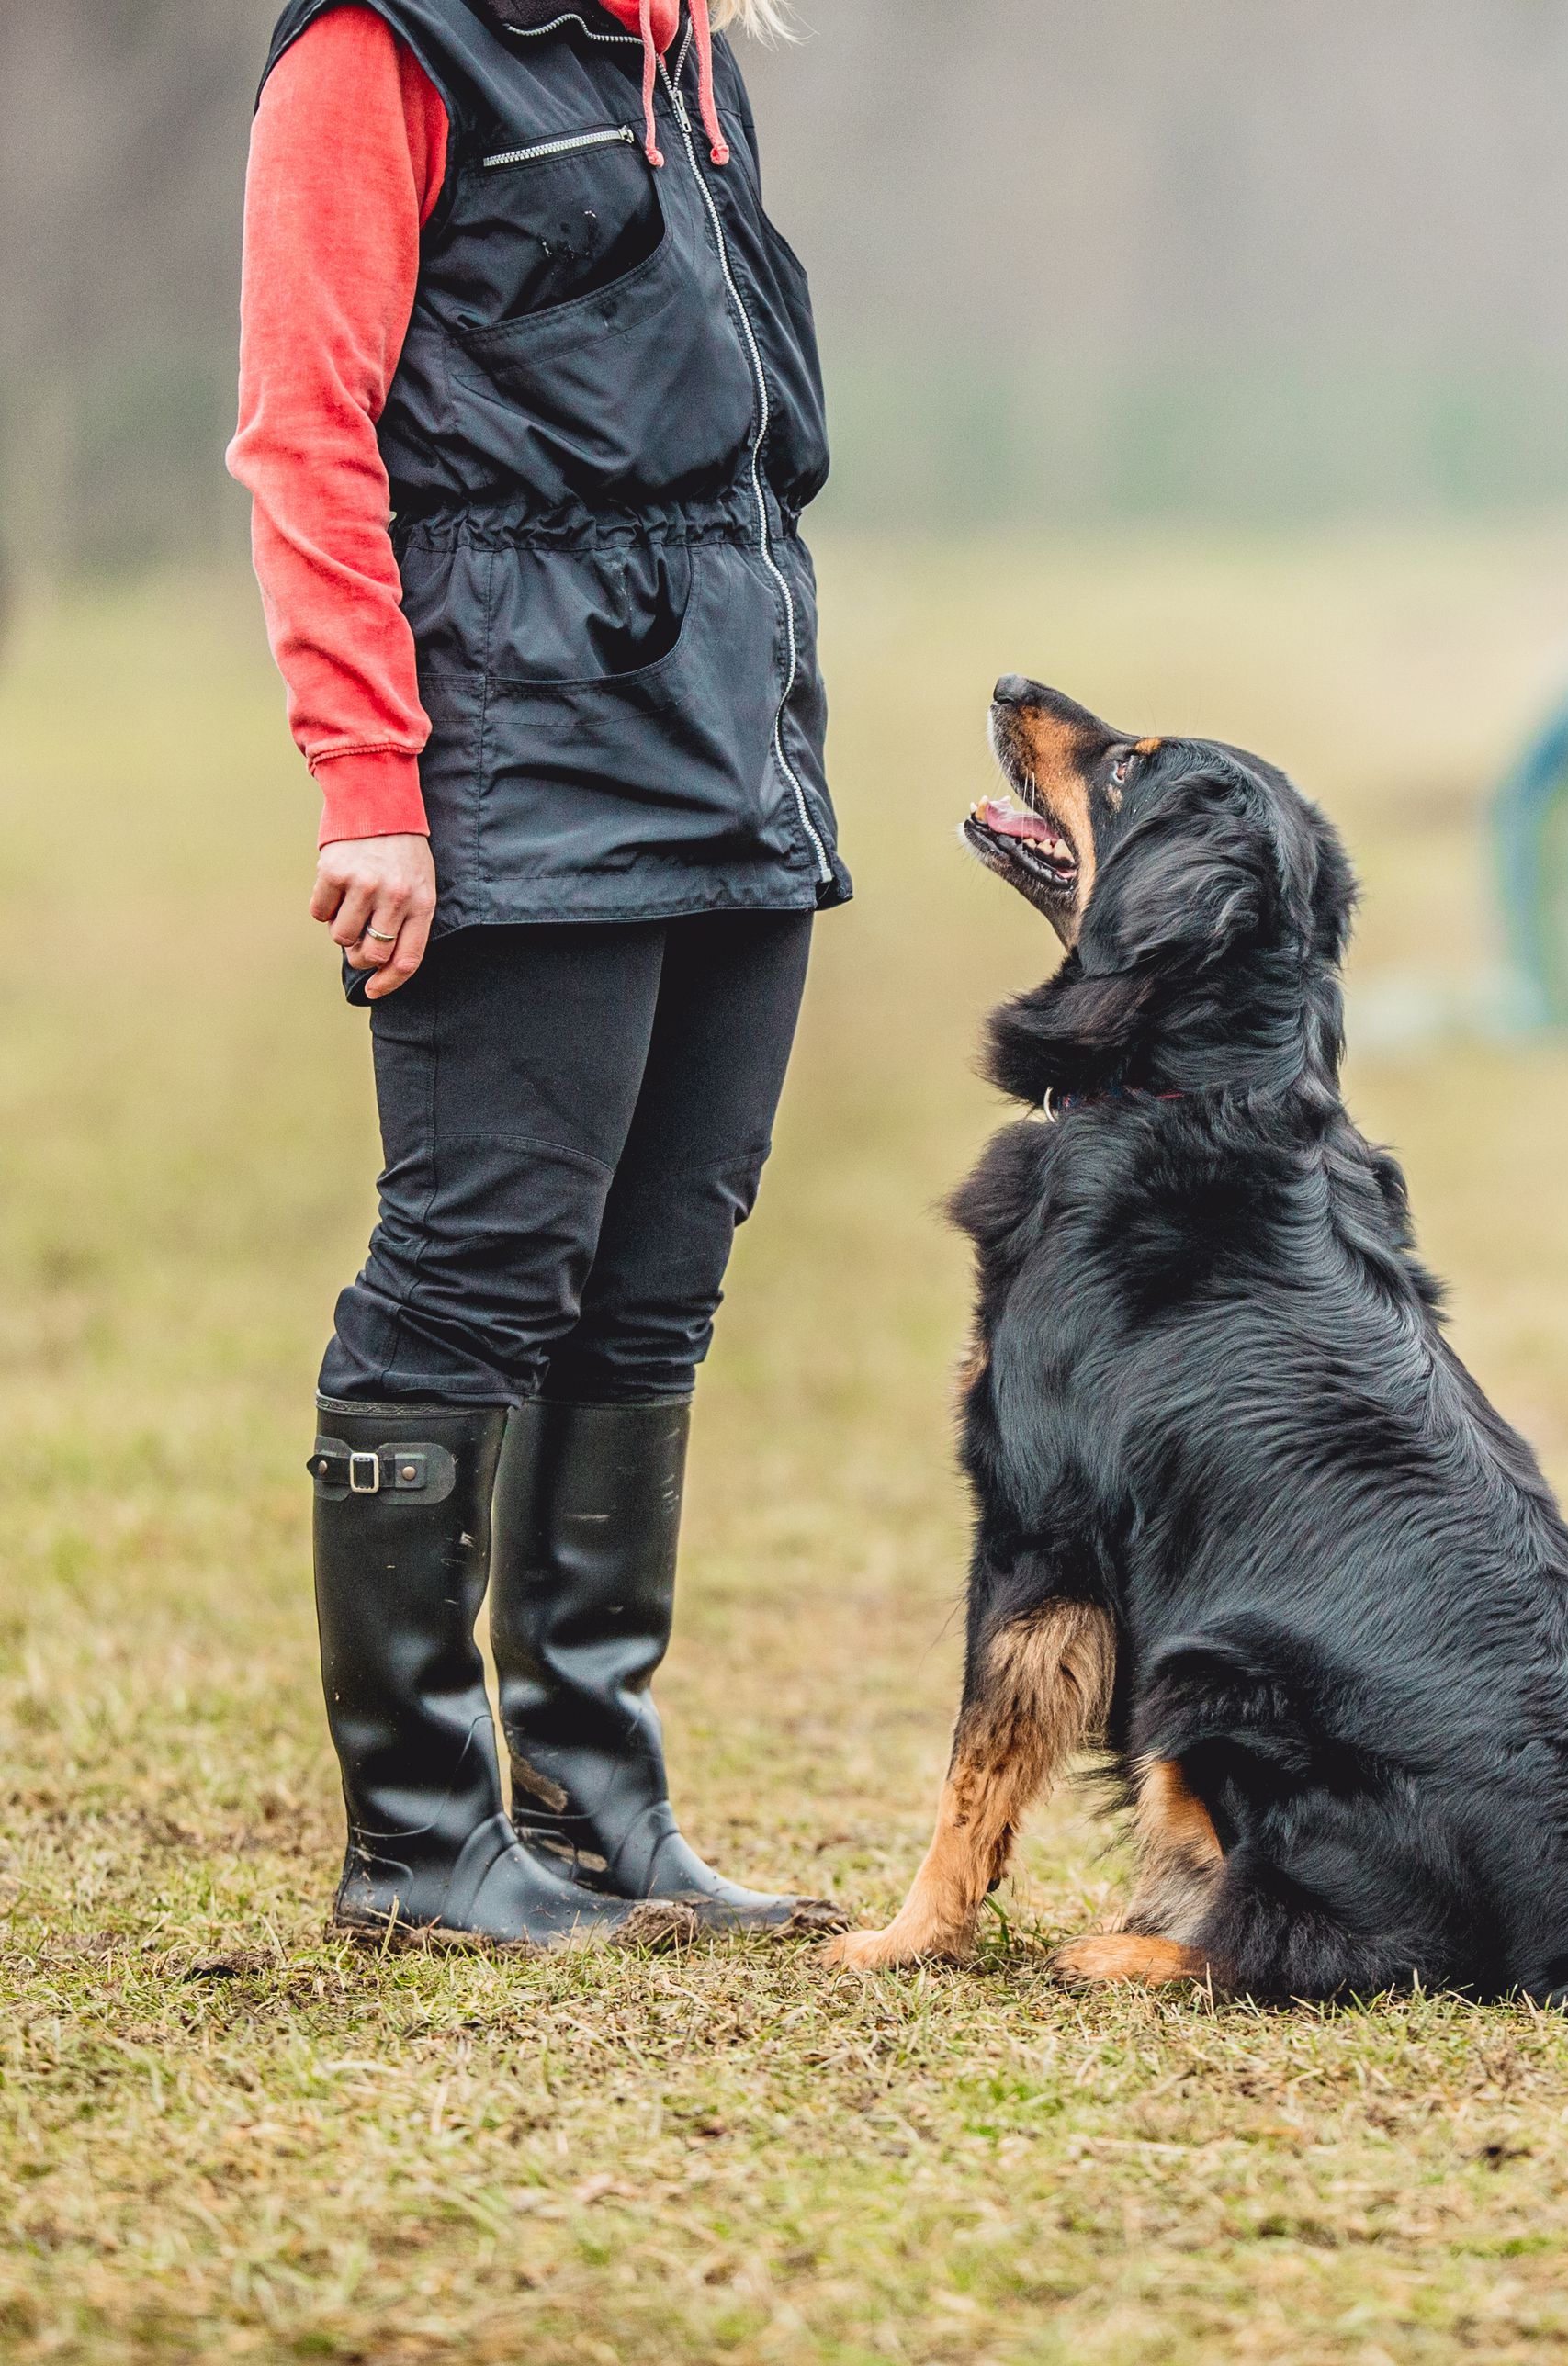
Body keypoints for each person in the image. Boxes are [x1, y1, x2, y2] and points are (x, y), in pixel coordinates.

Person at [230, 0, 846, 1946]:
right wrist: (367, 782)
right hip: (515, 760)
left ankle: (595, 1808)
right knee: (479, 1271)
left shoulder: (689, 56)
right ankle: (420, 1841)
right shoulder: (376, 56)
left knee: (655, 1296)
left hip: (736, 742)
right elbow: (302, 428)